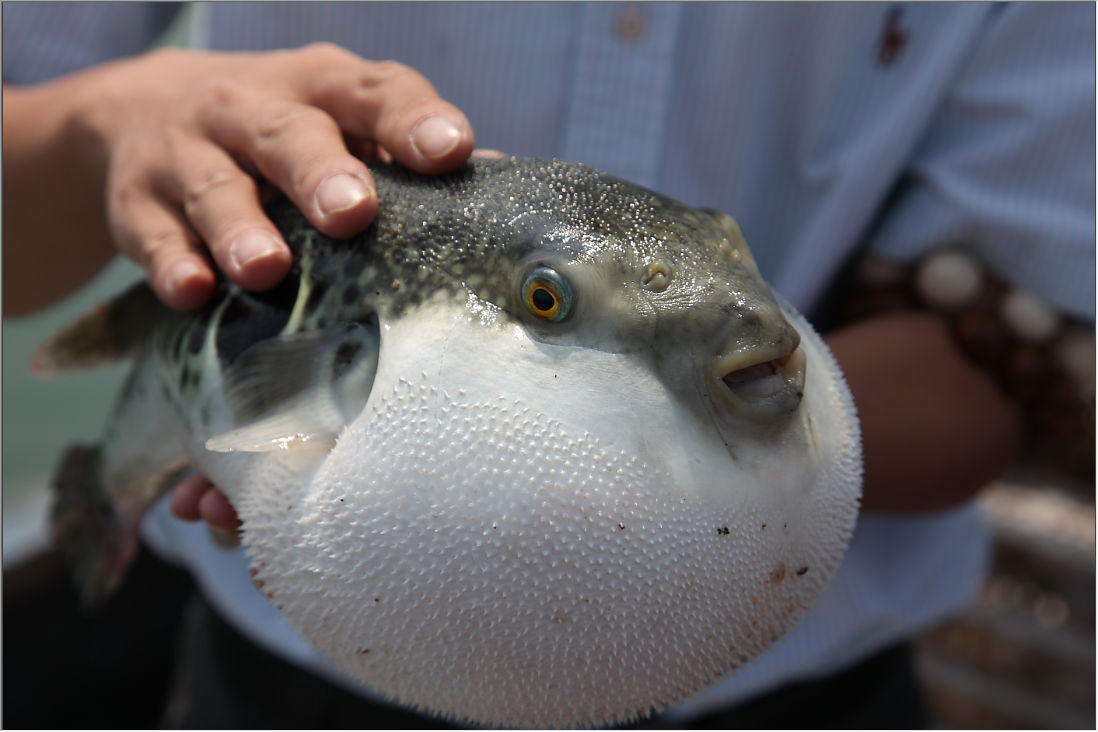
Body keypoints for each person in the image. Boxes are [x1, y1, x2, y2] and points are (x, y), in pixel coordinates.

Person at [3, 2, 1093, 727]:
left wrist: (590, 506)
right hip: (295, 679)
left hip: (791, 683)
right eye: (544, 304)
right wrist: (112, 120)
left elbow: (997, 350)